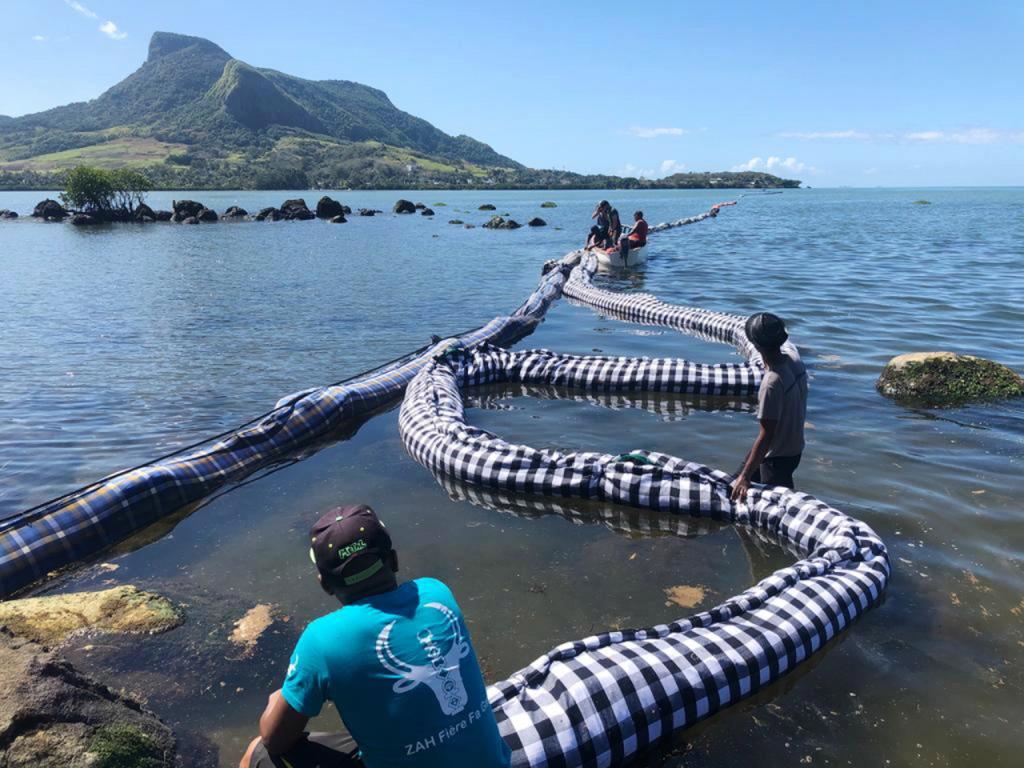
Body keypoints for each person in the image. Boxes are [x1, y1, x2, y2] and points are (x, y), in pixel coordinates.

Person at [240, 505, 511, 768]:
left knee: (258, 752)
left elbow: (274, 740)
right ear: (393, 560)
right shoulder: (436, 593)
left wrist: (278, 700)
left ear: (325, 585)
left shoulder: (321, 641)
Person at [730, 313, 808, 501]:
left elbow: (767, 435)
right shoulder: (793, 359)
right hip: (794, 449)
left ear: (756, 346)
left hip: (776, 459)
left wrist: (745, 477)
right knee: (731, 485)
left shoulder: (772, 383)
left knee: (779, 508)